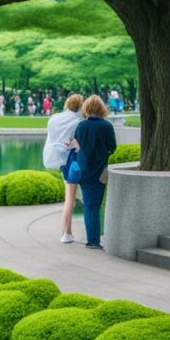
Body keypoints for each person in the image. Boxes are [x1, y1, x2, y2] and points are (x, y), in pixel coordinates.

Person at [74, 95, 118, 250]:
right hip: (100, 171)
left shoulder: (81, 126)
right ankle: (93, 241)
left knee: (88, 205)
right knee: (95, 205)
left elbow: (78, 144)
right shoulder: (106, 126)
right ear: (101, 108)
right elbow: (113, 147)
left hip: (84, 170)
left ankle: (91, 238)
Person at [44, 94, 85, 244]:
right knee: (70, 199)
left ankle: (67, 231)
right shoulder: (77, 122)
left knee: (70, 197)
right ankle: (65, 233)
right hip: (72, 160)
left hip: (60, 160)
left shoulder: (54, 118)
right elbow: (77, 144)